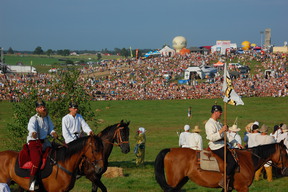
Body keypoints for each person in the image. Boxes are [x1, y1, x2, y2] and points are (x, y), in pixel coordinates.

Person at [27, 100, 58, 190]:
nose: (43, 108)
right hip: (34, 141)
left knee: (58, 151)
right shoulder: (34, 118)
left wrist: (53, 133)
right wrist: (33, 132)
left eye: (43, 107)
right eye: (41, 107)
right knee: (36, 161)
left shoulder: (47, 118)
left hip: (44, 141)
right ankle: (32, 182)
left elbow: (51, 129)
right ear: (37, 109)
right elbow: (31, 127)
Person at [205, 105, 236, 189]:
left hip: (223, 144)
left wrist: (236, 143)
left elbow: (226, 135)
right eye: (220, 112)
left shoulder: (219, 123)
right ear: (215, 112)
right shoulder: (209, 124)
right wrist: (221, 130)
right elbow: (212, 137)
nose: (221, 113)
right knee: (232, 162)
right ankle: (224, 180)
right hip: (216, 146)